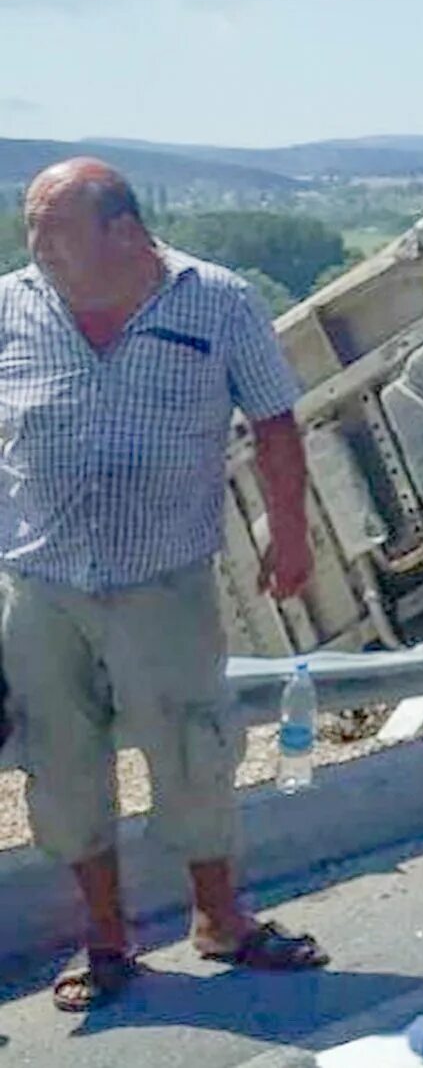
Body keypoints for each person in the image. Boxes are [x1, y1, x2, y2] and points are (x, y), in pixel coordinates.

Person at [0, 159, 329, 1012]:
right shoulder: (12, 305)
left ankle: (219, 918)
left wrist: (287, 532)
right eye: (31, 227)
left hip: (163, 577)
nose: (36, 246)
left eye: (55, 229)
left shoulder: (216, 300)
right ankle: (107, 940)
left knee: (191, 749)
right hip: (43, 583)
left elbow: (274, 423)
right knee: (59, 765)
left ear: (124, 229)